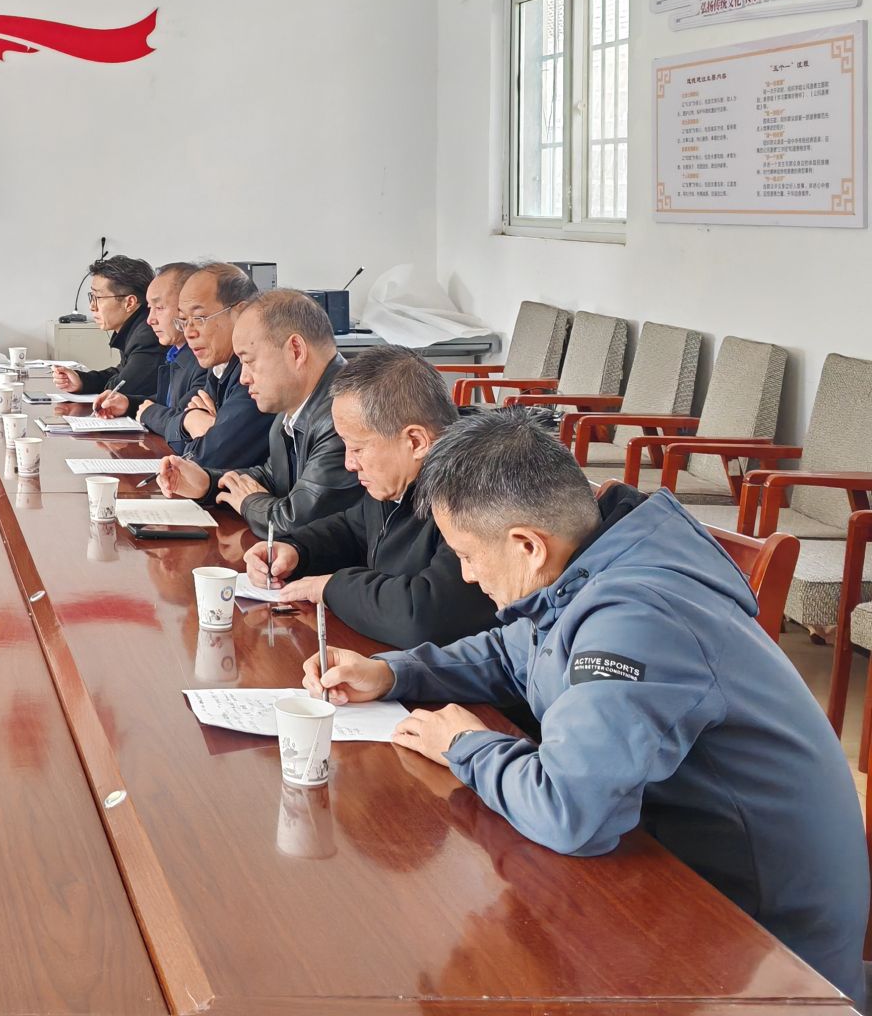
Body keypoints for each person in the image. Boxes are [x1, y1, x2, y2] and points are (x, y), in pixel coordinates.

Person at [308, 410, 869, 1007]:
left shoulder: (636, 617)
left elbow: (569, 810)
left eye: (467, 556)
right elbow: (512, 652)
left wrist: (465, 745)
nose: (466, 576)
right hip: (682, 872)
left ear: (527, 545)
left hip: (766, 952)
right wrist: (394, 671)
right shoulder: (590, 563)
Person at [242, 346, 494, 648]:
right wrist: (297, 550)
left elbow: (425, 617)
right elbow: (354, 529)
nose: (349, 463)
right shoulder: (396, 479)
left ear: (415, 441)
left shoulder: (476, 492)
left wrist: (331, 588)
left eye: (358, 448)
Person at [209, 289, 359, 533]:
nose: (243, 378)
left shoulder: (345, 416)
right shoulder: (288, 414)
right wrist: (207, 482)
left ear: (296, 351)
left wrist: (249, 503)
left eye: (249, 361)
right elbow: (272, 479)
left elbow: (298, 522)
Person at [155, 263, 270, 503]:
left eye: (199, 318)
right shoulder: (219, 366)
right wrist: (189, 420)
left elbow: (207, 460)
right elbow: (182, 431)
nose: (189, 332)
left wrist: (206, 433)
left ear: (241, 312)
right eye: (183, 320)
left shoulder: (256, 374)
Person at [51, 254, 162, 403]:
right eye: (91, 297)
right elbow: (122, 372)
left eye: (98, 298)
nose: (92, 306)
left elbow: (121, 388)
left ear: (129, 303)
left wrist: (88, 384)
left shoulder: (148, 335)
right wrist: (82, 381)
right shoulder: (135, 327)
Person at [98, 260, 197, 422]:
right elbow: (167, 403)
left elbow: (183, 420)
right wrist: (128, 404)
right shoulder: (176, 354)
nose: (150, 320)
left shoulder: (202, 361)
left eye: (159, 308)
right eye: (150, 308)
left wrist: (148, 412)